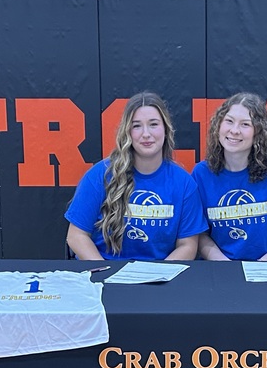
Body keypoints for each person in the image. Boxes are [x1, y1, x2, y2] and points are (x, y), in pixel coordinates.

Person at [65, 92, 206, 261]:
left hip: (159, 278)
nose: (146, 134)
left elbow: (188, 245)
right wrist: (105, 274)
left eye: (153, 124)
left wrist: (157, 278)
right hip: (106, 276)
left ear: (166, 129)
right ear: (127, 132)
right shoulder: (100, 175)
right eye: (136, 126)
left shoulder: (184, 184)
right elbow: (76, 236)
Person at [192, 92, 267, 261]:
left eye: (245, 124)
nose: (234, 130)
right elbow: (199, 234)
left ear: (258, 132)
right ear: (218, 125)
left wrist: (261, 267)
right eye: (229, 121)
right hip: (222, 271)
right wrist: (224, 265)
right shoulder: (201, 174)